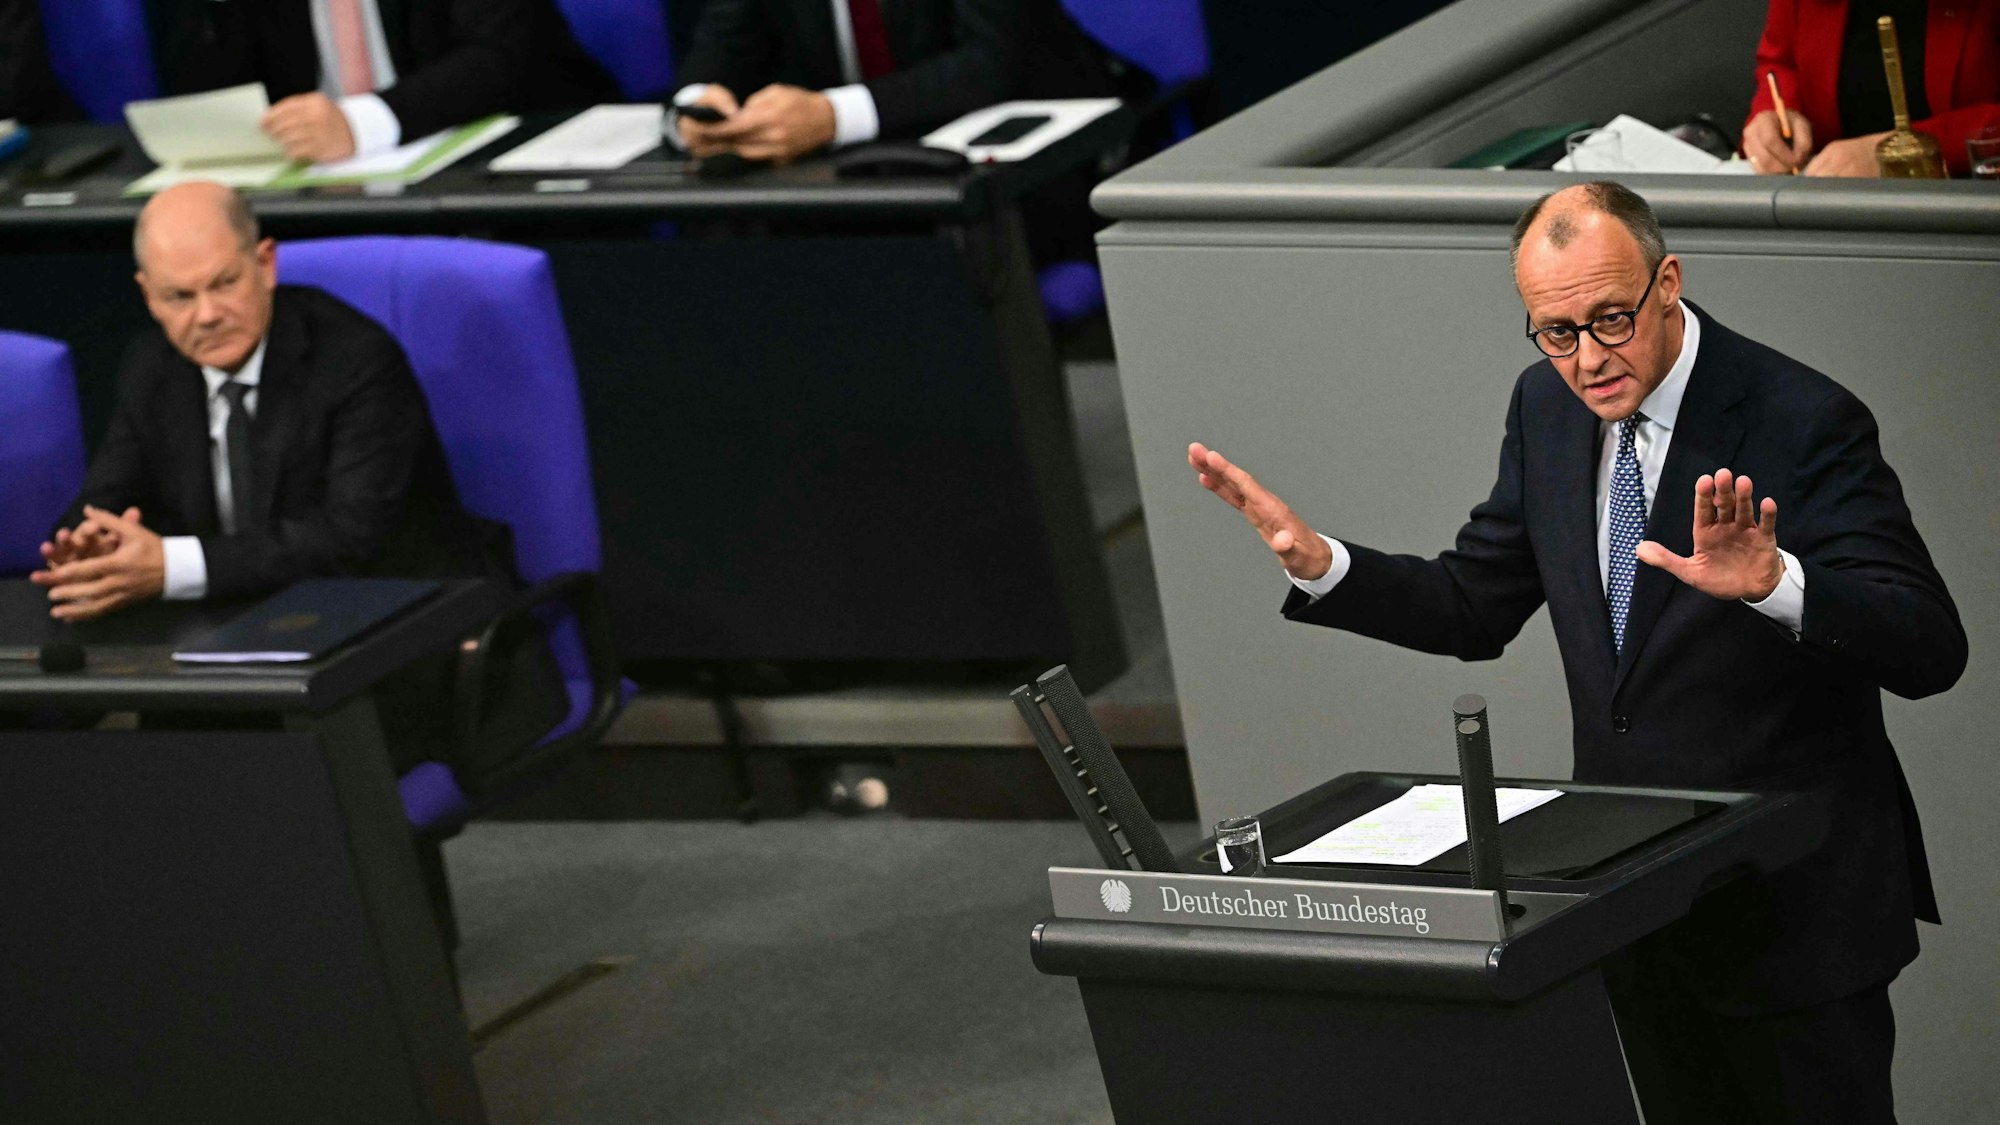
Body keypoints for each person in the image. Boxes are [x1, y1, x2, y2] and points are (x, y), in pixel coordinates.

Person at [1189, 181, 1962, 1122]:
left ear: (1667, 282)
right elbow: (1475, 602)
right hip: (1638, 902)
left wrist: (1778, 584)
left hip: (1795, 909)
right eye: (1557, 332)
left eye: (1610, 320)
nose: (1589, 360)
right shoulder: (1546, 410)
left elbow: (1930, 645)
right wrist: (1326, 566)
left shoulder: (1802, 416)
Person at [29, 181, 548, 771]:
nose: (207, 315)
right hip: (235, 641)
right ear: (148, 297)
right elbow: (104, 498)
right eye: (179, 296)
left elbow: (348, 540)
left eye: (225, 283)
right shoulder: (153, 368)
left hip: (385, 640)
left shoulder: (357, 361)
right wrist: (92, 550)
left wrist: (167, 566)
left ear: (265, 263)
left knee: (250, 778)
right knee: (160, 769)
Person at [147, 0, 617, 163]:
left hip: (516, 159)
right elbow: (203, 97)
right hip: (329, 191)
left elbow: (501, 58)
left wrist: (361, 125)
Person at [668, 0, 1123, 164]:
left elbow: (988, 64)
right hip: (856, 188)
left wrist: (831, 116)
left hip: (1026, 177)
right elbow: (719, 46)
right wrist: (696, 109)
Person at [1742, 0, 2000, 176]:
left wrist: (1895, 157)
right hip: (1826, 204)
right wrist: (1777, 114)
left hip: (1964, 208)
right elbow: (1780, 63)